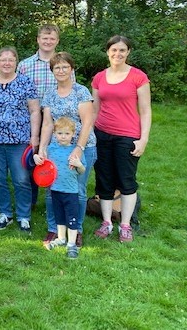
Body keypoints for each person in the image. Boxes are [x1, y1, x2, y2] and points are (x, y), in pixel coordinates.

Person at [0, 47, 41, 233]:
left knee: (21, 179)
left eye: (11, 60)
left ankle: (23, 216)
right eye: (3, 60)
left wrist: (34, 136)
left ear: (16, 63)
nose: (6, 63)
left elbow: (34, 110)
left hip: (19, 141)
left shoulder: (25, 82)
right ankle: (5, 213)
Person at [92, 35, 151, 243]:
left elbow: (145, 111)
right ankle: (107, 222)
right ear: (108, 52)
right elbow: (95, 109)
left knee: (127, 181)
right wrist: (90, 136)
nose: (117, 54)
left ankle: (125, 225)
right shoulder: (99, 77)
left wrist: (143, 139)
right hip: (102, 134)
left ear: (128, 52)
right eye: (114, 50)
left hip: (127, 136)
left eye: (122, 50)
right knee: (104, 179)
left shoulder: (138, 77)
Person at [38, 52, 96, 248]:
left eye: (65, 67)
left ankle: (76, 230)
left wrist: (79, 148)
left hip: (83, 146)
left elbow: (87, 122)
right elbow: (47, 124)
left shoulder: (81, 91)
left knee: (77, 191)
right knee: (51, 189)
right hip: (56, 150)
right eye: (57, 67)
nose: (61, 70)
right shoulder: (49, 94)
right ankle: (54, 229)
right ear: (52, 71)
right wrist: (43, 148)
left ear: (72, 69)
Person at [17, 24, 73, 208]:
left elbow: (71, 92)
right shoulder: (25, 65)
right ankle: (30, 201)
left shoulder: (64, 65)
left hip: (56, 121)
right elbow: (18, 92)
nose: (48, 41)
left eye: (52, 38)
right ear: (38, 40)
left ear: (57, 40)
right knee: (31, 158)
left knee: (55, 157)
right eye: (44, 38)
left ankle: (55, 199)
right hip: (31, 119)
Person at [34, 117, 85, 259]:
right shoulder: (50, 149)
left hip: (71, 191)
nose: (63, 137)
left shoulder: (75, 152)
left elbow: (82, 171)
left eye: (67, 134)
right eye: (60, 133)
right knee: (60, 216)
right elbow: (41, 163)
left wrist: (78, 164)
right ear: (54, 134)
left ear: (73, 134)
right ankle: (61, 239)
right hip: (55, 190)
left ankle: (71, 244)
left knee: (72, 217)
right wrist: (36, 158)